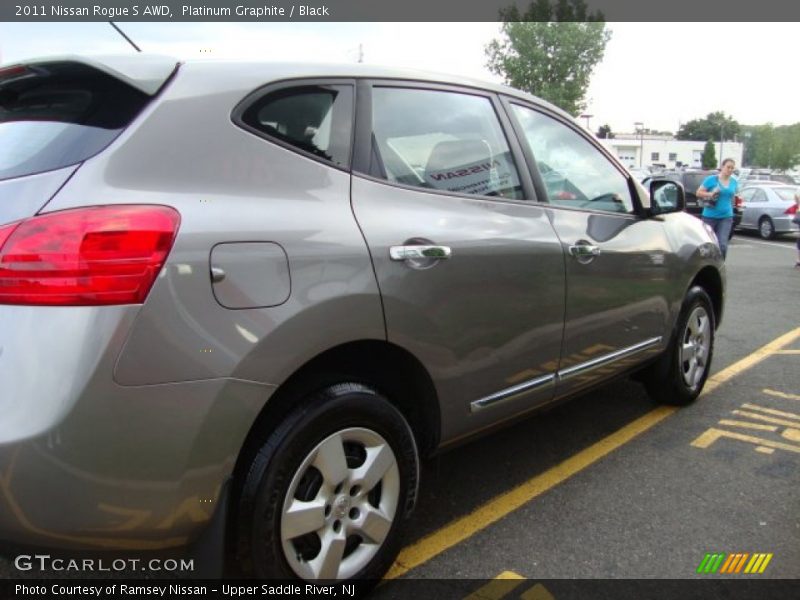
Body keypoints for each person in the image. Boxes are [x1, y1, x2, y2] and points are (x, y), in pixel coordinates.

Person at [696, 158, 738, 259]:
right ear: (722, 167)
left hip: (726, 217)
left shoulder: (734, 182)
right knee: (708, 244)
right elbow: (698, 193)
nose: (730, 170)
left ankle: (720, 265)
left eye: (732, 168)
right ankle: (707, 264)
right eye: (728, 167)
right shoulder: (711, 179)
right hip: (709, 217)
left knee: (722, 244)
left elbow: (732, 197)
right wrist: (711, 194)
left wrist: (734, 207)